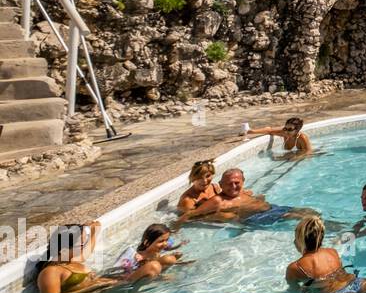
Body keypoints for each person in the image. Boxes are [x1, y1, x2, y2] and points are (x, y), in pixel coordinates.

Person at [175, 167, 316, 227]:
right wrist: (175, 227)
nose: (234, 187)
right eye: (229, 184)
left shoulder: (242, 193)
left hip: (272, 209)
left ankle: (330, 230)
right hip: (254, 219)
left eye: (237, 183)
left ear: (243, 182)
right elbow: (191, 214)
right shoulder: (218, 200)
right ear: (221, 184)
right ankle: (332, 231)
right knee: (295, 216)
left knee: (309, 211)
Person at [35, 223, 123, 293]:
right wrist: (94, 286)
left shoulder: (71, 259)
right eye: (82, 244)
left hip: (102, 292)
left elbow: (87, 251)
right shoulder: (51, 272)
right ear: (64, 250)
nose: (85, 246)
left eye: (85, 241)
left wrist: (94, 232)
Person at [112, 223, 186, 281]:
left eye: (166, 240)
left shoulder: (156, 251)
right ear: (147, 242)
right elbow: (118, 274)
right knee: (156, 265)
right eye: (161, 241)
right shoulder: (135, 255)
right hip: (126, 279)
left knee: (171, 258)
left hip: (146, 273)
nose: (165, 244)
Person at [244, 116, 313, 157]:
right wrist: (251, 131)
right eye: (285, 128)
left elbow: (308, 153)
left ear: (297, 130)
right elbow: (269, 130)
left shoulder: (302, 138)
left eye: (290, 129)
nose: (286, 131)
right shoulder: (285, 133)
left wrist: (292, 158)